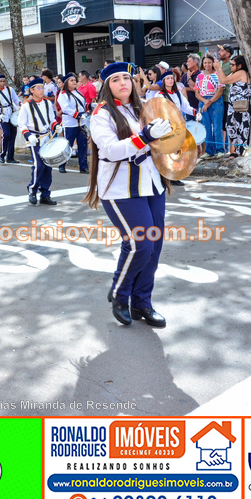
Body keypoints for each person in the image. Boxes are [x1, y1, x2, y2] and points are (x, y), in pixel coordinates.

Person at [84, 62, 173, 327]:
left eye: (126, 78)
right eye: (115, 80)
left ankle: (142, 303)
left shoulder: (145, 107)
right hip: (121, 189)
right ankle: (120, 294)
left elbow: (161, 142)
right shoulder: (101, 113)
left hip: (152, 185)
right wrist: (146, 135)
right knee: (140, 245)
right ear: (106, 86)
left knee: (153, 247)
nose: (123, 83)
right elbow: (110, 151)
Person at [19, 78, 60, 205]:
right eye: (39, 88)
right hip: (34, 138)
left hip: (47, 138)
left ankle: (45, 194)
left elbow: (51, 119)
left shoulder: (48, 103)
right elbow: (22, 124)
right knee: (38, 166)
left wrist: (56, 126)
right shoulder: (26, 105)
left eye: (42, 88)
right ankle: (32, 191)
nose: (42, 90)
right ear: (31, 90)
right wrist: (28, 135)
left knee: (48, 166)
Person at [215, 55, 251, 157]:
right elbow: (222, 80)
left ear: (240, 65)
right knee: (232, 127)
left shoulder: (241, 73)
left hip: (240, 107)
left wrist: (219, 68)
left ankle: (239, 152)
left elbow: (224, 81)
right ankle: (235, 151)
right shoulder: (236, 73)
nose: (230, 66)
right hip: (235, 107)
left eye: (232, 64)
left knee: (240, 129)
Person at [57, 74, 89, 174]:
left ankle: (83, 166)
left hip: (81, 123)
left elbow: (82, 105)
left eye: (75, 80)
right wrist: (77, 115)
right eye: (71, 80)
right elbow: (66, 108)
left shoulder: (77, 92)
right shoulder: (63, 95)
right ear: (66, 83)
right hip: (70, 124)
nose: (74, 82)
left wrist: (89, 107)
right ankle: (62, 164)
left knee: (83, 145)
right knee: (68, 145)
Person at [196, 54, 225, 157]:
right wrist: (204, 101)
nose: (207, 64)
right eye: (205, 63)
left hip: (216, 101)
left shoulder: (218, 74)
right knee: (206, 127)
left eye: (209, 62)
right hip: (203, 102)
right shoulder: (199, 76)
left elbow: (220, 91)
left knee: (217, 126)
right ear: (202, 64)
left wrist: (209, 102)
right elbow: (197, 93)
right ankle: (209, 151)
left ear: (213, 63)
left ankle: (220, 150)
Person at [0, 74, 21, 164]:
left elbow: (15, 99)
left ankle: (10, 157)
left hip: (11, 112)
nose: (2, 83)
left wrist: (20, 103)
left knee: (13, 135)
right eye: (0, 81)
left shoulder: (10, 89)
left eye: (4, 81)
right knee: (6, 134)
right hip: (2, 113)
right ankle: (2, 154)